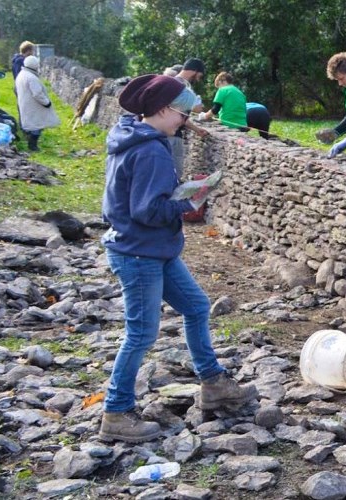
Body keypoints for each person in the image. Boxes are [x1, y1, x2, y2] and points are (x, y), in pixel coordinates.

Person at [99, 74, 254, 443]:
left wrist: (181, 194)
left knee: (198, 306)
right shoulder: (151, 149)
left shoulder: (132, 137)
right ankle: (116, 413)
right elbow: (146, 210)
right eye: (183, 115)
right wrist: (191, 201)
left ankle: (213, 383)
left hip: (153, 249)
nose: (186, 121)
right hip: (139, 252)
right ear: (165, 109)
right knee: (141, 334)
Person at [15, 56, 58, 152]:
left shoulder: (22, 74)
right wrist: (47, 103)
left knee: (32, 124)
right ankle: (33, 146)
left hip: (26, 103)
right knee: (36, 126)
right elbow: (37, 93)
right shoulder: (31, 77)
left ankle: (31, 144)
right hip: (33, 105)